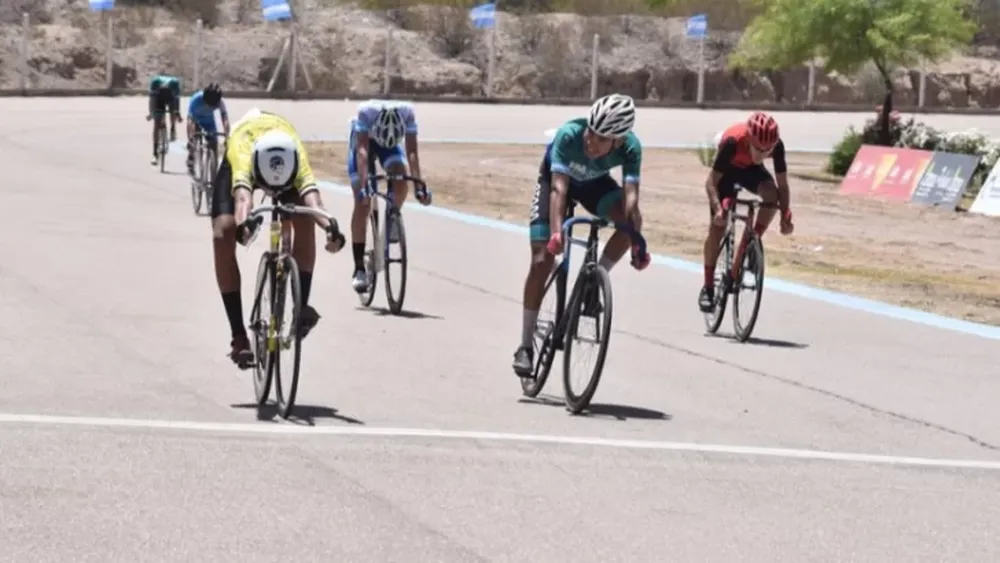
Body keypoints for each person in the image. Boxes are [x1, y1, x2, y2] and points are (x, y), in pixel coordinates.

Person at [511, 93, 651, 378]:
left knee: (630, 223)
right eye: (591, 131)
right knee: (542, 261)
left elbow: (631, 199)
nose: (591, 140)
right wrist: (556, 233)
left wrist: (636, 240)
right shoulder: (569, 136)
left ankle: (595, 279)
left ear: (619, 140)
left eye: (601, 138)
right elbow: (559, 191)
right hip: (556, 182)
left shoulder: (631, 148)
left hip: (593, 184)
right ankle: (525, 346)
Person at [210, 108, 346, 367]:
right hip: (244, 154)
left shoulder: (297, 154)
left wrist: (332, 228)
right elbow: (242, 197)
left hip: (282, 156)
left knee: (303, 217)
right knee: (223, 232)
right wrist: (244, 225)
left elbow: (314, 201)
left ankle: (301, 306)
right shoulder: (242, 151)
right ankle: (238, 335)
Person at [697, 111, 795, 313]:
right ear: (749, 138)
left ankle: (752, 241)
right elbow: (711, 182)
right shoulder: (733, 141)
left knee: (771, 195)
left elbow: (782, 186)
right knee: (717, 227)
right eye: (758, 149)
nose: (762, 155)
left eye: (767, 150)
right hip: (727, 173)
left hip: (751, 172)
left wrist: (785, 214)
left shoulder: (776, 147)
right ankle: (707, 287)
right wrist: (717, 209)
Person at [346, 99, 432, 294]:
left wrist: (418, 185)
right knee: (363, 203)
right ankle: (359, 268)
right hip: (362, 143)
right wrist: (364, 186)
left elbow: (411, 152)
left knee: (401, 180)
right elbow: (361, 151)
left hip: (389, 145)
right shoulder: (366, 113)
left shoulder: (408, 113)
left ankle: (392, 216)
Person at [186, 82, 231, 177]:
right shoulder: (196, 100)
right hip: (196, 121)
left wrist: (227, 136)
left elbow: (225, 119)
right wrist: (190, 138)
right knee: (194, 137)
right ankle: (191, 158)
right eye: (208, 104)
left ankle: (213, 171)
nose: (210, 107)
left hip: (209, 123)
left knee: (214, 143)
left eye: (213, 106)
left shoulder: (220, 102)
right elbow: (190, 121)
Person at [146, 73, 183, 165]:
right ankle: (155, 154)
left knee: (173, 111)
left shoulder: (175, 83)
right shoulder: (155, 83)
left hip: (171, 98)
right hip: (158, 99)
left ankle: (173, 129)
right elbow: (152, 101)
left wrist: (177, 113)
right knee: (157, 123)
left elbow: (177, 101)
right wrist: (151, 113)